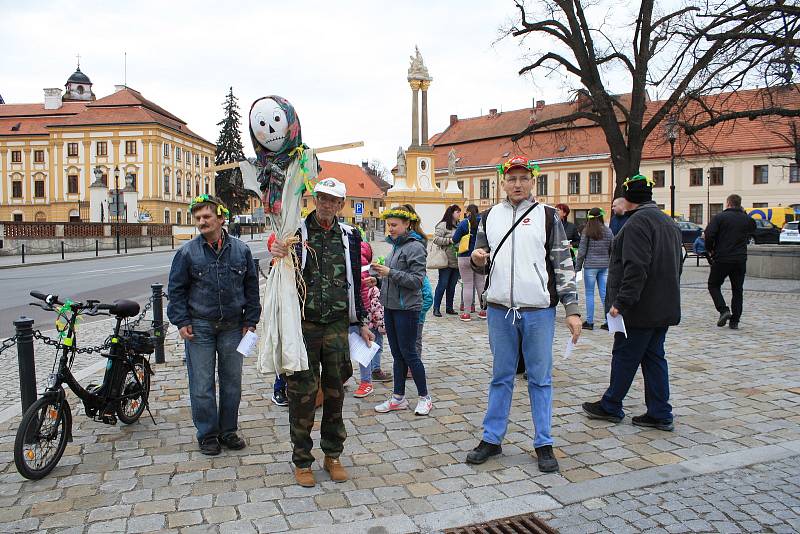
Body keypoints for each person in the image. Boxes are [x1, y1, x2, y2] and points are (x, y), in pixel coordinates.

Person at [466, 156, 581, 473]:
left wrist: (572, 309)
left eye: (523, 178)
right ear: (503, 182)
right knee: (500, 377)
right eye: (511, 178)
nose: (517, 184)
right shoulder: (489, 218)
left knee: (540, 380)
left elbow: (562, 264)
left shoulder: (547, 217)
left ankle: (544, 442)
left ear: (532, 181)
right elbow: (481, 259)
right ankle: (492, 438)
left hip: (539, 311)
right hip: (500, 310)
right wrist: (477, 258)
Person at [269, 177, 373, 487]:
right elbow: (276, 259)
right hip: (303, 325)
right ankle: (302, 461)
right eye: (323, 198)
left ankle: (333, 455)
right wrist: (276, 249)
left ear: (341, 204)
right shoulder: (296, 232)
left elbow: (356, 279)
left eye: (333, 200)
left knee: (335, 392)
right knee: (301, 394)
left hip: (338, 326)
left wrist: (362, 321)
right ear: (315, 199)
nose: (327, 204)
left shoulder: (350, 236)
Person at [582, 174, 682, 432]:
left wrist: (621, 303)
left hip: (640, 308)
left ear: (628, 198)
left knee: (625, 355)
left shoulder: (637, 223)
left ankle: (611, 405)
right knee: (654, 357)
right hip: (663, 305)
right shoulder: (667, 221)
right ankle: (660, 412)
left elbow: (636, 267)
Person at [167, 194, 261, 456]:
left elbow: (251, 289)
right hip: (200, 327)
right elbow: (176, 290)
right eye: (197, 218)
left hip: (233, 327)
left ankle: (228, 430)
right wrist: (181, 320)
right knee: (202, 384)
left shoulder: (241, 250)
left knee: (232, 383)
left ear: (221, 217)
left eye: (206, 216)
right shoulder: (187, 253)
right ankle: (207, 434)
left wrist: (251, 321)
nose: (201, 222)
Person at [372, 206, 432, 416]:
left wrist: (390, 272)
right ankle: (398, 397)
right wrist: (378, 280)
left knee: (410, 354)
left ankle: (425, 397)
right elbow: (395, 277)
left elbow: (416, 281)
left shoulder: (415, 247)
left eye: (394, 225)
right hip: (391, 307)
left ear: (407, 224)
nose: (390, 229)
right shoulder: (396, 246)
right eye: (389, 225)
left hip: (407, 308)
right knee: (397, 355)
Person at [704, 194, 756, 330]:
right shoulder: (746, 219)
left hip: (723, 257)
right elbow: (753, 228)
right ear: (739, 204)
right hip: (740, 259)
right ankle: (735, 321)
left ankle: (723, 310)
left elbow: (709, 234)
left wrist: (710, 250)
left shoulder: (720, 217)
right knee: (737, 290)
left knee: (713, 284)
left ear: (728, 203)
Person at [353, 239, 390, 398]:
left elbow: (363, 290)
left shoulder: (355, 257)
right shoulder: (361, 256)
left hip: (355, 310)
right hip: (359, 310)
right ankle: (365, 381)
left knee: (361, 344)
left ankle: (365, 381)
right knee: (363, 345)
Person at [575, 207, 613, 330]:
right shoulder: (608, 231)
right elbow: (612, 249)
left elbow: (581, 251)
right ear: (601, 216)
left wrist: (577, 268)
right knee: (604, 294)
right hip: (605, 266)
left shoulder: (587, 231)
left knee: (589, 294)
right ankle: (609, 322)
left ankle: (590, 322)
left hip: (590, 266)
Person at [452, 204, 486, 321]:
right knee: (481, 284)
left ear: (468, 212)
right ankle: (483, 311)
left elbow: (455, 239)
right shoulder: (482, 222)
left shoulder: (464, 223)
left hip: (465, 256)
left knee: (467, 284)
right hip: (480, 256)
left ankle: (466, 313)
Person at [432, 204, 462, 317]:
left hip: (456, 259)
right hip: (445, 260)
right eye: (457, 212)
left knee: (452, 285)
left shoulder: (460, 225)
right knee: (442, 284)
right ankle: (436, 308)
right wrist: (450, 240)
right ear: (451, 213)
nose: (459, 214)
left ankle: (449, 307)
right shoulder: (443, 225)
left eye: (460, 212)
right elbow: (435, 239)